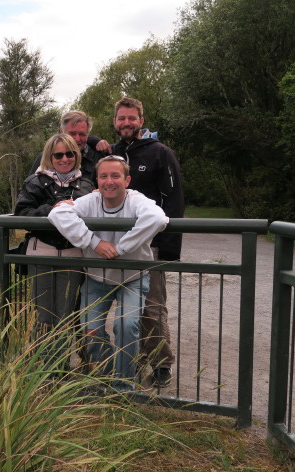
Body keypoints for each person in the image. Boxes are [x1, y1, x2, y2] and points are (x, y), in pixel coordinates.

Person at [48, 155, 168, 391]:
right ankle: (111, 374)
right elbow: (57, 214)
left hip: (132, 277)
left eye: (115, 176)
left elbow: (157, 218)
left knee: (126, 326)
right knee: (90, 329)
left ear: (127, 180)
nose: (109, 181)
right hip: (97, 277)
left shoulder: (137, 200)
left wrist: (121, 248)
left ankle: (122, 387)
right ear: (97, 181)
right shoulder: (90, 201)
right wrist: (95, 243)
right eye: (103, 176)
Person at [111, 96, 185, 388]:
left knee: (152, 307)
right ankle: (128, 359)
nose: (126, 123)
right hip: (114, 245)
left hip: (149, 245)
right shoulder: (111, 154)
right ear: (115, 122)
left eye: (131, 118)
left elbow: (174, 200)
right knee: (122, 306)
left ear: (141, 121)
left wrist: (169, 247)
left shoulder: (160, 153)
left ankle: (161, 362)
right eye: (121, 118)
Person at [14, 133, 95, 372]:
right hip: (42, 254)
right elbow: (22, 215)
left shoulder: (86, 186)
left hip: (72, 255)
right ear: (50, 156)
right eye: (58, 154)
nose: (64, 159)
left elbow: (90, 217)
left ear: (76, 155)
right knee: (43, 316)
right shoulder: (35, 183)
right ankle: (46, 369)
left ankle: (60, 369)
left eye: (70, 153)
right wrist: (53, 210)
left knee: (65, 314)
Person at [28, 110, 110, 185]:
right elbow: (29, 189)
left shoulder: (98, 158)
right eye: (72, 134)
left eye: (82, 134)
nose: (77, 139)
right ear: (61, 132)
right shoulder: (45, 157)